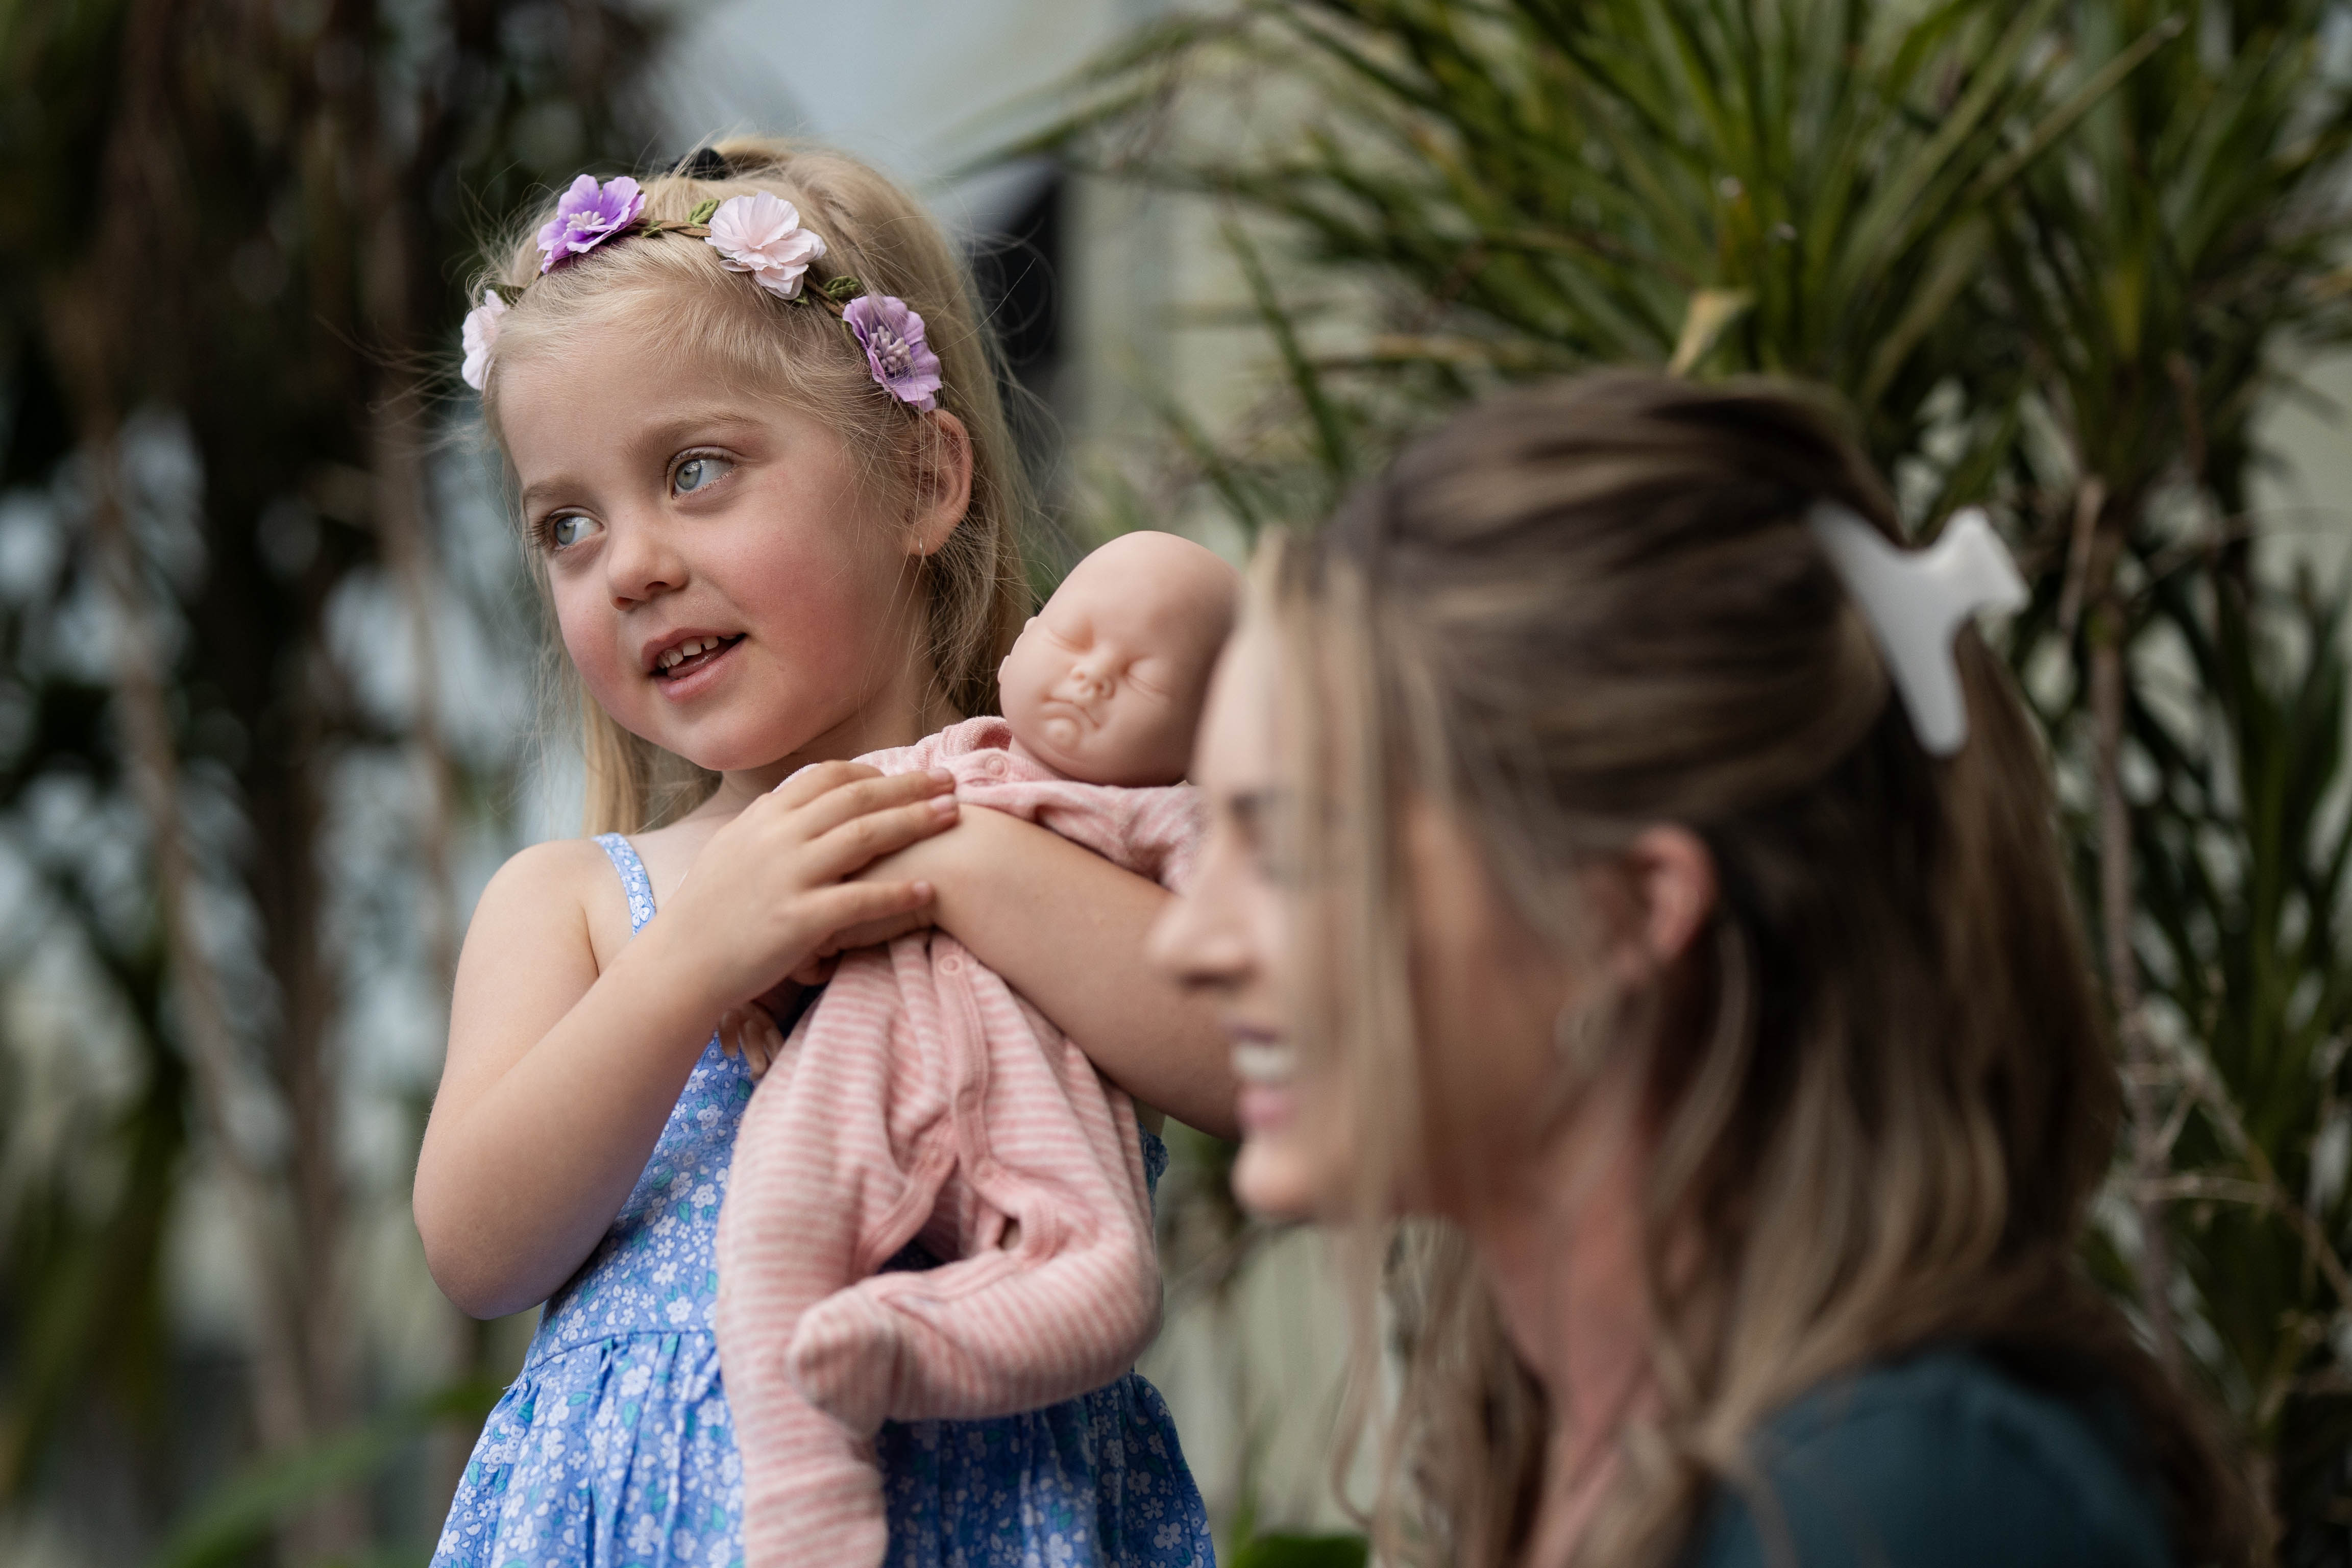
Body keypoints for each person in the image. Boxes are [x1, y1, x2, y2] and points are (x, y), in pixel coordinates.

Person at [1150, 372, 2252, 1567]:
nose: (1186, 942)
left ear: (1623, 910)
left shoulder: (1909, 1501)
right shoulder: (1562, 1452)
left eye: (1297, 848)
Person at [412, 139, 1223, 1568]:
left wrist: (956, 864)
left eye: (699, 469)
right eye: (567, 525)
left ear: (922, 480)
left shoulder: (1050, 818)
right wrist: (699, 956)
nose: (631, 563)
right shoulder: (586, 904)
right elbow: (481, 1248)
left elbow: (1262, 1059)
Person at [715, 531, 1239, 1567]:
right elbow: (796, 902)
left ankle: (906, 1346)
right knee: (769, 1233)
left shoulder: (1160, 820)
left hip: (1043, 1113)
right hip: (852, 1079)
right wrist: (760, 988)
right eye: (1076, 635)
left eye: (1143, 673)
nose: (1092, 674)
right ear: (1019, 646)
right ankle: (804, 1496)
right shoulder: (912, 773)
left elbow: (1233, 940)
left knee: (1112, 1287)